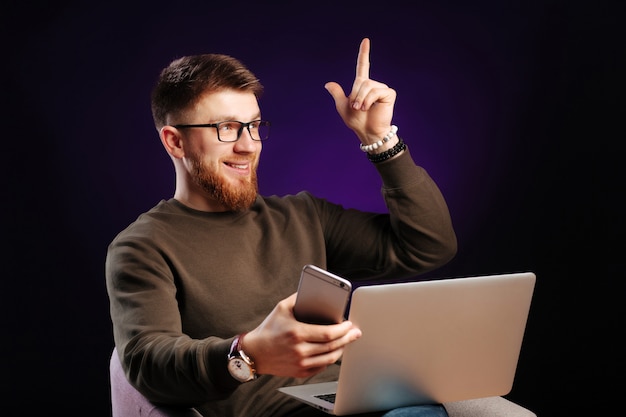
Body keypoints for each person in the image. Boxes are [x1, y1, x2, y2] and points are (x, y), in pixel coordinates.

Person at [105, 38, 457, 417]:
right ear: (175, 141)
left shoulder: (304, 216)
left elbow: (429, 246)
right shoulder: (142, 247)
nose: (249, 145)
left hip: (362, 402)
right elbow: (147, 364)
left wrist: (380, 141)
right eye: (227, 127)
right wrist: (249, 352)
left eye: (254, 126)